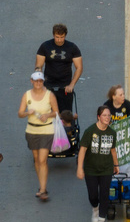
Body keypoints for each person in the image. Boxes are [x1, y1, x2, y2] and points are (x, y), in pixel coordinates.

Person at [76, 103, 118, 222]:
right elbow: (82, 150)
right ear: (98, 117)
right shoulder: (90, 131)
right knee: (93, 195)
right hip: (91, 169)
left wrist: (116, 165)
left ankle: (101, 221)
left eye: (109, 115)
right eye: (104, 115)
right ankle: (95, 208)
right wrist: (80, 168)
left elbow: (113, 150)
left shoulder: (112, 133)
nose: (107, 118)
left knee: (104, 194)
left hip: (106, 169)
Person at [18, 71, 59, 201]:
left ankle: (42, 190)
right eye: (36, 81)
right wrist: (27, 113)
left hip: (47, 130)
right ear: (31, 81)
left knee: (42, 160)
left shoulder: (49, 95)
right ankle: (42, 186)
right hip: (31, 130)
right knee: (36, 159)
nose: (38, 83)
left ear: (43, 82)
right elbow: (20, 113)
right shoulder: (27, 95)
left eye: (40, 81)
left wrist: (47, 115)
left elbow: (56, 112)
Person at [35, 25, 83, 111]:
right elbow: (39, 66)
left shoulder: (72, 47)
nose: (59, 40)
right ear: (53, 35)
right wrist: (40, 82)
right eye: (57, 37)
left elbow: (79, 67)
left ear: (65, 35)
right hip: (48, 84)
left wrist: (72, 85)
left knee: (65, 114)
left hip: (65, 86)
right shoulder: (45, 46)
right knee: (46, 113)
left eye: (62, 37)